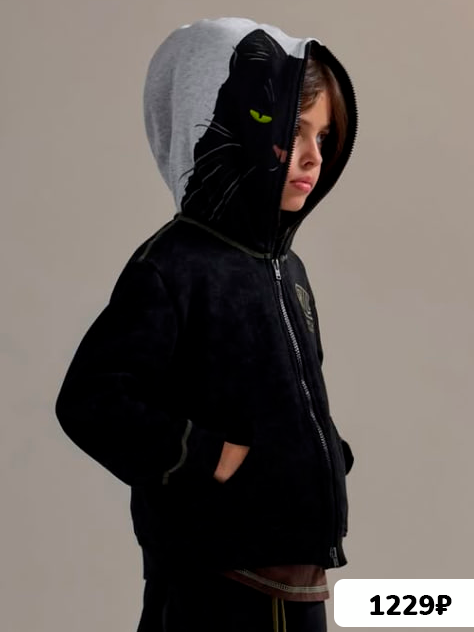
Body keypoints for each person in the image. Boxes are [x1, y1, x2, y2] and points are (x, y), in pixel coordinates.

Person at [55, 16, 358, 632]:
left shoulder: (288, 269)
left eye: (324, 136)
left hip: (296, 580)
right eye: (292, 129)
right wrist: (206, 457)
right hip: (218, 583)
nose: (313, 157)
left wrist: (322, 450)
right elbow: (91, 399)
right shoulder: (174, 265)